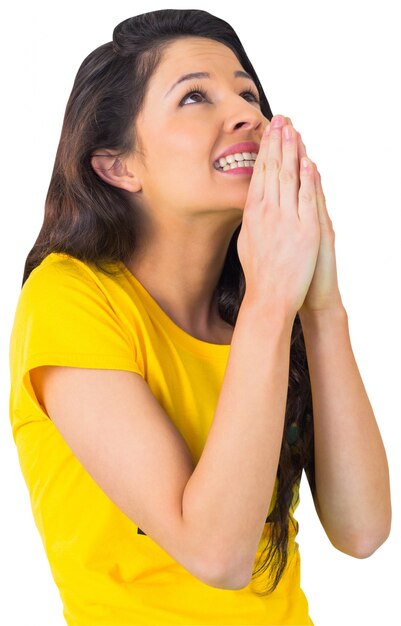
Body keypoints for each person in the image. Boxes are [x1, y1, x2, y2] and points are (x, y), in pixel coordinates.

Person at [8, 8, 391, 626]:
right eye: (194, 97)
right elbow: (217, 554)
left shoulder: (261, 306)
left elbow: (364, 530)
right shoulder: (68, 299)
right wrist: (272, 300)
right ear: (118, 166)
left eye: (248, 93)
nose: (246, 113)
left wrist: (320, 304)